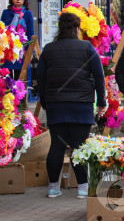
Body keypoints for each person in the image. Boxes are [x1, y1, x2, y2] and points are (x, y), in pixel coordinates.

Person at [37, 12, 106, 199]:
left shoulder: (49, 49)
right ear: (77, 29)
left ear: (60, 28)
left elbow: (41, 78)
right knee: (79, 146)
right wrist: (101, 102)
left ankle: (53, 187)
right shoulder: (87, 48)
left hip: (56, 105)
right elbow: (99, 77)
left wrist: (45, 101)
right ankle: (83, 188)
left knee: (56, 146)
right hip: (81, 106)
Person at [1, 0, 35, 79]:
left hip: (21, 49)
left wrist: (30, 51)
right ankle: (8, 93)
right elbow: (2, 30)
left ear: (24, 0)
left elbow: (30, 33)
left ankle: (17, 93)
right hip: (8, 48)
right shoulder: (6, 13)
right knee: (6, 76)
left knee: (19, 76)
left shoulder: (28, 14)